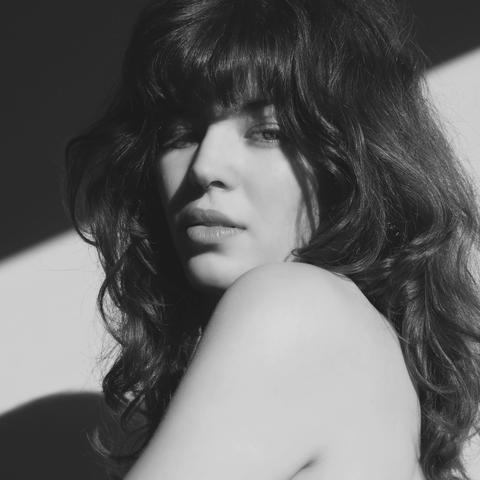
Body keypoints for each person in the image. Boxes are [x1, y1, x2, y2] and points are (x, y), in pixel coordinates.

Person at [65, 0, 480, 479]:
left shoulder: (296, 307)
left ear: (350, 165)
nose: (205, 167)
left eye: (267, 132)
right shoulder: (367, 350)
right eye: (180, 134)